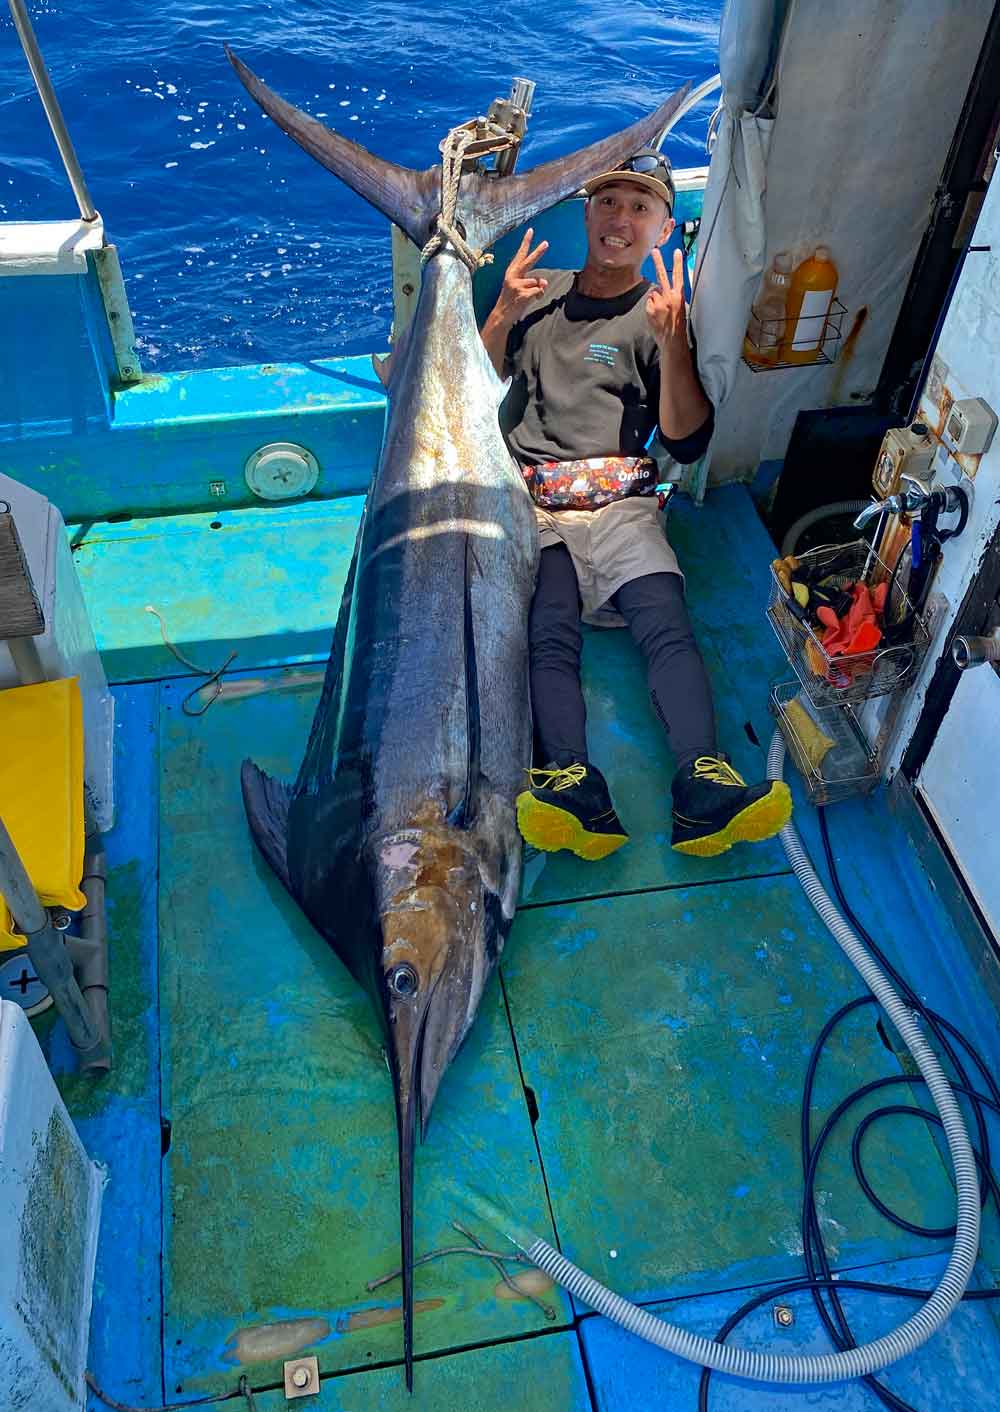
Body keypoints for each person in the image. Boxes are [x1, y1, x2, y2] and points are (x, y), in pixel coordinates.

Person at [479, 148, 792, 861]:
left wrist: (674, 340)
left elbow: (685, 440)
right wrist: (500, 311)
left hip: (624, 505)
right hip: (536, 504)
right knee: (547, 629)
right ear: (586, 212)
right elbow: (474, 383)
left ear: (662, 229)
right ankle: (571, 782)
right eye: (609, 203)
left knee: (667, 624)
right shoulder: (538, 295)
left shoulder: (658, 316)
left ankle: (701, 785)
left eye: (640, 208)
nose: (621, 220)